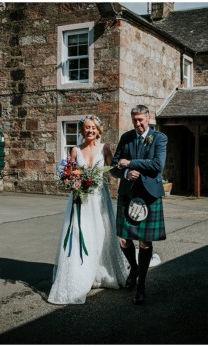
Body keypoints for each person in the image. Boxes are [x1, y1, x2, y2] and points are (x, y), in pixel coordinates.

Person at [48, 115, 128, 304]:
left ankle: (101, 272)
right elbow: (67, 172)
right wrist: (68, 180)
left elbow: (114, 170)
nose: (89, 130)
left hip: (100, 199)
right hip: (80, 200)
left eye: (93, 127)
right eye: (86, 128)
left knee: (101, 234)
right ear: (82, 131)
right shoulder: (76, 150)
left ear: (98, 130)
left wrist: (126, 170)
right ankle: (79, 273)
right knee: (78, 233)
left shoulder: (105, 149)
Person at [110, 105, 168, 305]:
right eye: (135, 120)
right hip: (128, 194)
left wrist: (131, 164)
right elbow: (114, 166)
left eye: (141, 120)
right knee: (124, 241)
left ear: (148, 118)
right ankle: (133, 268)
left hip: (149, 195)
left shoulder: (159, 138)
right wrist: (125, 173)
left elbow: (157, 165)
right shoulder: (126, 137)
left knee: (145, 243)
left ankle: (141, 284)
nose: (138, 124)